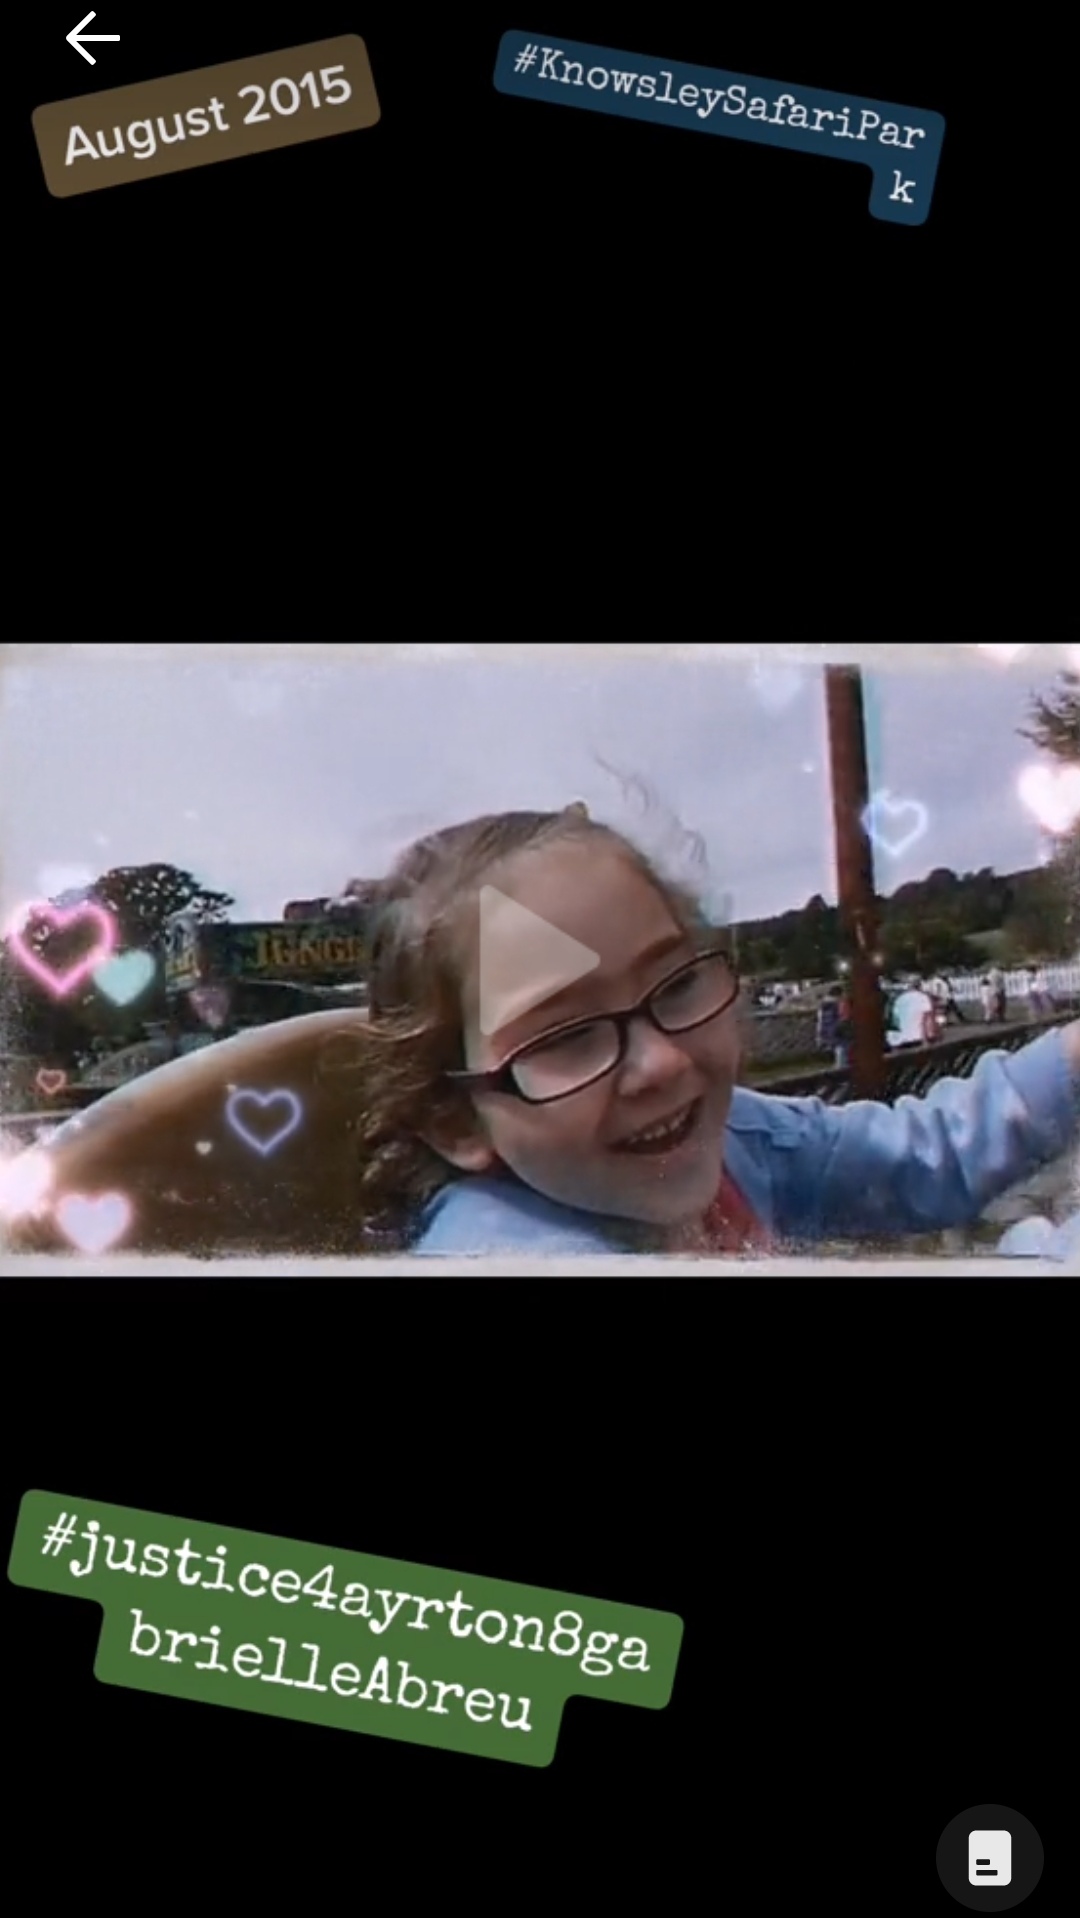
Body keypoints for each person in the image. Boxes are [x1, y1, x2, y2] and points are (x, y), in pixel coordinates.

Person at [344, 805, 1080, 1257]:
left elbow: (919, 1158)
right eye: (566, 1036)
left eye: (676, 983)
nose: (662, 1061)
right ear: (452, 1117)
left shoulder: (732, 1139)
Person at [885, 979, 938, 1051]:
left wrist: (893, 1043)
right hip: (917, 1038)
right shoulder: (923, 997)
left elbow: (895, 1021)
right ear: (920, 987)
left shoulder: (899, 999)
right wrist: (925, 1041)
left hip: (900, 1041)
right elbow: (924, 1021)